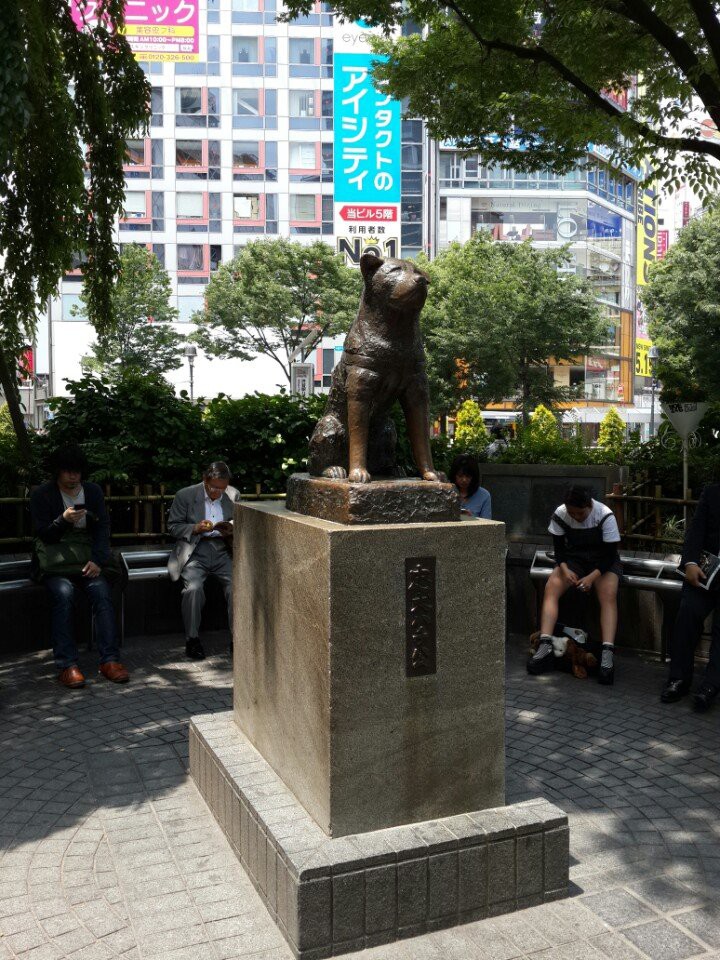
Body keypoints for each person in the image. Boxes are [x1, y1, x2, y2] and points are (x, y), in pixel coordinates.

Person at [30, 446, 128, 689]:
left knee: (102, 593)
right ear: (58, 472)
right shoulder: (43, 494)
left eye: (77, 472)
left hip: (86, 558)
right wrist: (62, 521)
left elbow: (102, 529)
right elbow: (43, 534)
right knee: (64, 594)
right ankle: (67, 664)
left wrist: (97, 560)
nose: (73, 477)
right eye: (67, 472)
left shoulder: (92, 491)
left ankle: (110, 660)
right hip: (56, 563)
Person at [528, 484, 621, 684]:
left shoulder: (605, 515)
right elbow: (559, 549)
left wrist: (591, 577)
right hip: (574, 558)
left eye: (580, 513)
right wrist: (564, 569)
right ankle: (545, 644)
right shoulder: (561, 514)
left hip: (602, 561)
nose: (576, 517)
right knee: (551, 586)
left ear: (589, 506)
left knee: (608, 594)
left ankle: (607, 653)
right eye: (572, 513)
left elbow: (609, 555)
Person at [167, 462, 240, 660]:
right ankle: (192, 639)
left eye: (222, 488)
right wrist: (195, 528)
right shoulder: (186, 495)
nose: (218, 492)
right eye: (214, 487)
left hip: (222, 550)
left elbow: (240, 522)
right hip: (195, 550)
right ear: (205, 480)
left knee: (237, 588)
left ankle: (238, 640)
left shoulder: (233, 495)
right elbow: (173, 527)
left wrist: (231, 528)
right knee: (194, 589)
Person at [661, 482, 720, 711]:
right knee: (687, 613)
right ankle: (678, 679)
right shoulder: (713, 491)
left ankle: (710, 686)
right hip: (705, 572)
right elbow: (696, 530)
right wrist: (691, 563)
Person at [449, 453, 491, 519]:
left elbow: (488, 524)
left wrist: (470, 519)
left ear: (474, 477)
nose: (464, 480)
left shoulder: (484, 495)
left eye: (468, 476)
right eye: (460, 476)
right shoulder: (446, 492)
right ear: (454, 475)